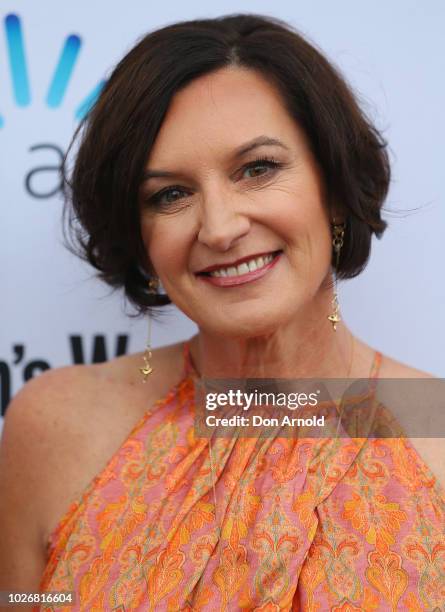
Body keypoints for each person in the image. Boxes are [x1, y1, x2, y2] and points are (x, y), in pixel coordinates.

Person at [0, 12, 443, 612]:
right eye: (170, 195)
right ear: (141, 236)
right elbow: (23, 600)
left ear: (333, 188)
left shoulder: (435, 428)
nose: (221, 227)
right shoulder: (57, 425)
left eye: (258, 169)